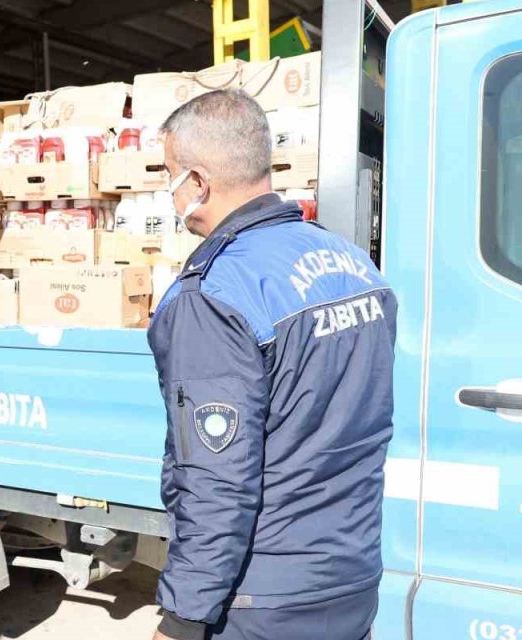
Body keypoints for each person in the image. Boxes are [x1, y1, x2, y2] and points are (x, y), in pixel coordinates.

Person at [148, 90, 397, 640]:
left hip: (265, 594)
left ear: (197, 181)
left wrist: (183, 617)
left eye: (169, 174)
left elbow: (216, 480)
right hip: (352, 574)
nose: (170, 192)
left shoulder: (216, 293)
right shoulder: (354, 263)